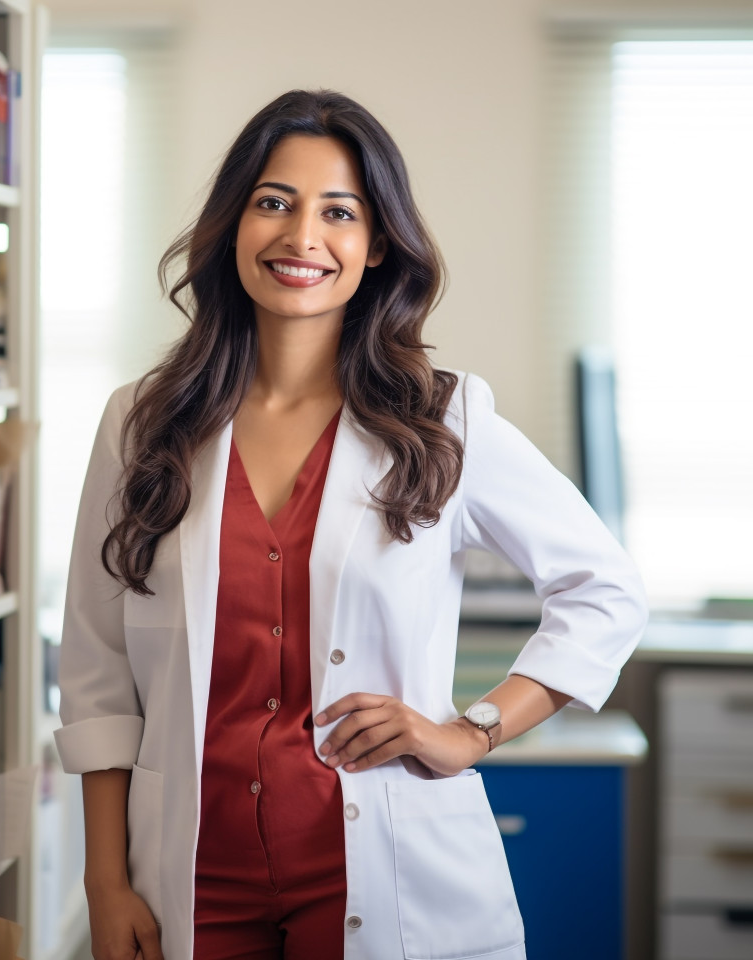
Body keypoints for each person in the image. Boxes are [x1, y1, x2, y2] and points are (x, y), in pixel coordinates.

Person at [53, 89, 648, 960]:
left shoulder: (444, 419)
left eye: (339, 212)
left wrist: (471, 730)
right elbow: (98, 667)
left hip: (382, 867)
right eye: (274, 203)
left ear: (375, 247)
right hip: (191, 873)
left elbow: (605, 589)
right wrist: (105, 882)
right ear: (232, 226)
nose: (302, 238)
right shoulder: (142, 422)